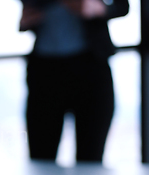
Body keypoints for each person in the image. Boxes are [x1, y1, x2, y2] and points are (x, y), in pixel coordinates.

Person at [20, 0, 129, 161]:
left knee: (90, 160)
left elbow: (122, 6)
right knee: (41, 160)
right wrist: (28, 18)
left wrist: (97, 8)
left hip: (90, 69)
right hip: (44, 72)